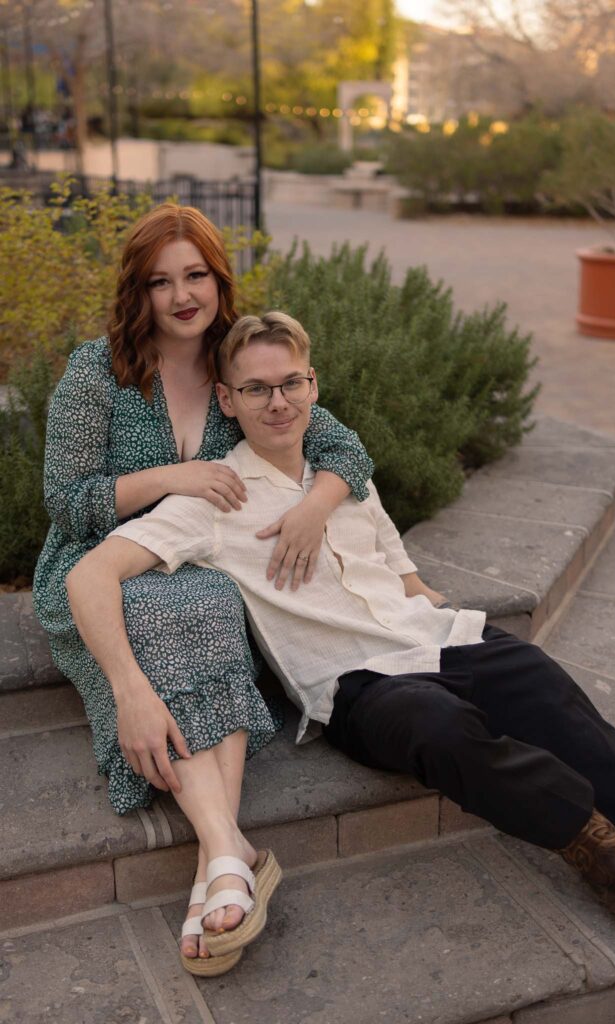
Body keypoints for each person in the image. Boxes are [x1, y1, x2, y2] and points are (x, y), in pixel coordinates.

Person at [66, 311, 615, 977]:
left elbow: (404, 573)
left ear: (313, 386)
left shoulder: (344, 478)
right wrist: (130, 689)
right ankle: (601, 853)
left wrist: (443, 617)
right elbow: (90, 573)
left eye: (290, 383)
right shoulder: (215, 497)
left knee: (553, 700)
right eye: (255, 389)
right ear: (226, 399)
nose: (278, 402)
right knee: (437, 726)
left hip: (440, 642)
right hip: (361, 687)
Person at [32, 207, 389, 973]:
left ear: (218, 279)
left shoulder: (237, 361)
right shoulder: (97, 372)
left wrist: (313, 508)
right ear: (139, 291)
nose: (181, 295)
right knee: (173, 608)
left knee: (206, 600)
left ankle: (217, 864)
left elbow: (342, 446)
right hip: (100, 567)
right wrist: (169, 477)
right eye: (161, 281)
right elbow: (65, 501)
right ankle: (226, 850)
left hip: (206, 562)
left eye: (195, 274)